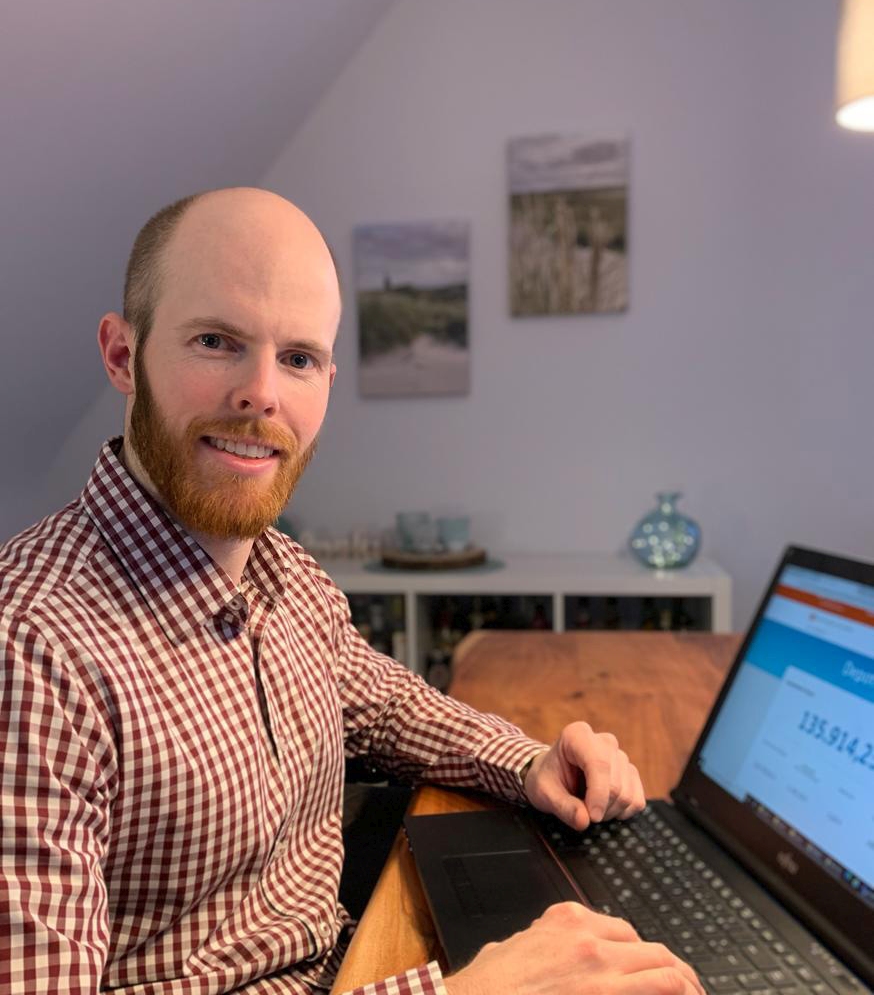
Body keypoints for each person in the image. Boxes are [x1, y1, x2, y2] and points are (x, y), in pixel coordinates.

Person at [1, 188, 702, 995]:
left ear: (329, 379)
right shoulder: (31, 650)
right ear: (123, 356)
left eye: (298, 358)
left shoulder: (283, 574)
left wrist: (531, 762)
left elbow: (389, 707)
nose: (262, 393)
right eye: (216, 341)